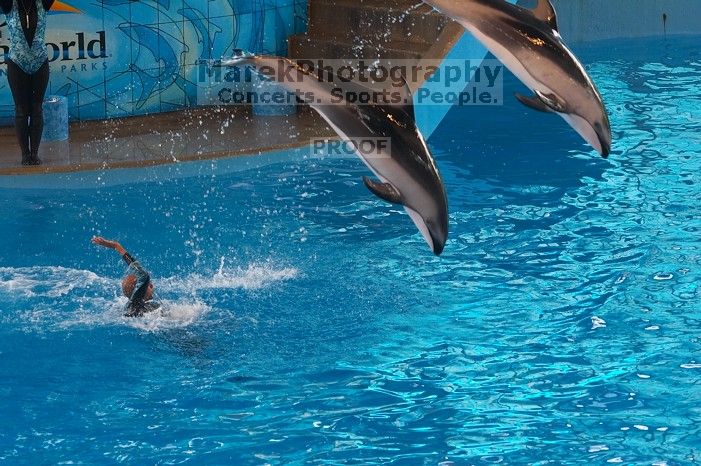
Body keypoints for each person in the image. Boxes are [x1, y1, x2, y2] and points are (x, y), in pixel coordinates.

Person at [1, 0, 54, 166]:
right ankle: (25, 154)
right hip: (17, 63)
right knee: (21, 110)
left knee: (37, 108)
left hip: (40, 62)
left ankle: (35, 154)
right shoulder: (9, 4)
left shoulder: (43, 3)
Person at [92, 236, 161, 317]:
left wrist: (116, 246)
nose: (152, 285)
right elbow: (144, 276)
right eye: (147, 285)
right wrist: (116, 246)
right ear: (138, 290)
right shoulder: (136, 306)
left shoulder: (130, 307)